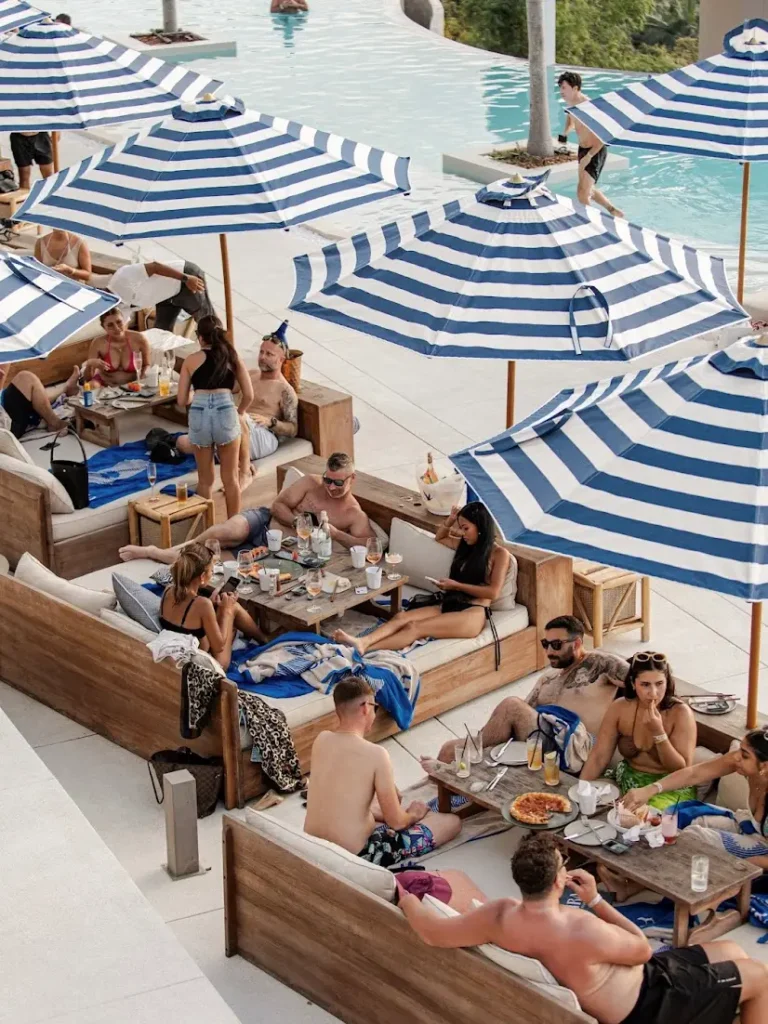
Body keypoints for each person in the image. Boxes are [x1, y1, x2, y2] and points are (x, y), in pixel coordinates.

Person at [399, 831, 768, 1024]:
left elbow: (431, 930)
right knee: (759, 975)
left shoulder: (497, 915)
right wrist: (596, 901)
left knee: (733, 952)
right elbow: (641, 948)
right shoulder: (578, 925)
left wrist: (405, 895)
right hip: (647, 1007)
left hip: (643, 981)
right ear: (559, 880)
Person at [304, 676, 459, 864]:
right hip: (354, 856)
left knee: (379, 799)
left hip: (311, 845)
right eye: (375, 708)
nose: (374, 714)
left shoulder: (321, 740)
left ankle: (378, 817)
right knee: (451, 822)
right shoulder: (376, 754)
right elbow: (397, 822)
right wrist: (413, 815)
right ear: (365, 708)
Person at [434, 614, 627, 764]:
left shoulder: (600, 664)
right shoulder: (548, 678)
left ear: (577, 643)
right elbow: (521, 718)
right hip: (539, 744)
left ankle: (476, 752)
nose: (550, 651)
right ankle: (470, 765)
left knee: (511, 705)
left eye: (556, 645)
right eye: (546, 644)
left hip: (575, 749)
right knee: (448, 751)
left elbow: (644, 678)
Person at [118, 452, 377, 562]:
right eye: (328, 479)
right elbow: (278, 505)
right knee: (224, 534)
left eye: (338, 483)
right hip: (262, 522)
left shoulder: (354, 514)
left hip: (274, 552)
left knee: (209, 561)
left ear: (352, 479)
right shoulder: (311, 482)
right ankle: (159, 550)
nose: (331, 487)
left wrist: (336, 534)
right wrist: (297, 522)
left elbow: (370, 548)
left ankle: (154, 553)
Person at [334, 502, 511, 656]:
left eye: (466, 528)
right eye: (461, 528)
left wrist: (456, 586)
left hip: (473, 612)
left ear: (480, 527)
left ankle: (366, 650)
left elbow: (493, 592)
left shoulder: (499, 554)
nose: (463, 533)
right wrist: (451, 519)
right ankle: (363, 641)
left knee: (414, 628)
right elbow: (440, 538)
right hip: (452, 602)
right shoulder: (466, 546)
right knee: (401, 617)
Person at [624, 727, 768, 869]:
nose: (736, 757)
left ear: (765, 766)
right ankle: (636, 873)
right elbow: (695, 773)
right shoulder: (742, 762)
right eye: (739, 750)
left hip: (764, 848)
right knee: (675, 818)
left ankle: (644, 883)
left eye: (745, 755)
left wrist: (751, 865)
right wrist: (650, 789)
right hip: (746, 823)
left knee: (692, 837)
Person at [177, 321, 298, 487]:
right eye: (261, 352)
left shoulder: (285, 390)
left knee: (233, 412)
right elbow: (223, 388)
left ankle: (245, 469)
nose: (262, 357)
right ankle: (221, 453)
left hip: (263, 434)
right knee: (182, 443)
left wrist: (271, 422)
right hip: (238, 424)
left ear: (282, 359)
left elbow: (293, 429)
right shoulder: (252, 375)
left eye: (269, 354)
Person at [582, 651, 696, 807]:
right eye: (645, 685)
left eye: (659, 684)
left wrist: (659, 733)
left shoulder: (680, 713)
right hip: (629, 778)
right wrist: (581, 789)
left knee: (646, 819)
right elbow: (599, 757)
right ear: (633, 683)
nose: (653, 693)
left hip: (668, 787)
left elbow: (682, 770)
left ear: (667, 682)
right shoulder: (620, 708)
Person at [177, 315, 253, 520]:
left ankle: (207, 530)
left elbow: (182, 400)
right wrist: (240, 412)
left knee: (205, 480)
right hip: (226, 411)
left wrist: (196, 395)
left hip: (200, 414)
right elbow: (249, 394)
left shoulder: (191, 360)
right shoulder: (232, 358)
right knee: (230, 479)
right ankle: (233, 527)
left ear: (200, 337)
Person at [159, 543, 265, 670]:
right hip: (211, 662)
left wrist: (212, 602)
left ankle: (260, 638)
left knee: (224, 606)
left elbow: (188, 615)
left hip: (189, 648)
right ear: (202, 577)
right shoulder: (203, 605)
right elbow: (219, 646)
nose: (212, 574)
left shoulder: (168, 590)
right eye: (211, 571)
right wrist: (226, 611)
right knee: (232, 607)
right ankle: (265, 640)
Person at [558, 71, 624, 218]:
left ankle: (591, 223)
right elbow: (570, 118)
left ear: (575, 88)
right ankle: (612, 210)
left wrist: (589, 156)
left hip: (595, 151)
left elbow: (605, 135)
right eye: (560, 88)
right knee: (586, 188)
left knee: (582, 193)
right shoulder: (571, 104)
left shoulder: (589, 107)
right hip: (583, 149)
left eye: (564, 88)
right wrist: (566, 132)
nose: (561, 92)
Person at [89, 260, 213, 332]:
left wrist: (186, 278)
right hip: (165, 296)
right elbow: (123, 330)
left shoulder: (122, 278)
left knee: (208, 325)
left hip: (184, 278)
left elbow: (155, 267)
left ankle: (225, 360)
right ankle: (165, 368)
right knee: (161, 332)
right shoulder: (117, 308)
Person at [0, 362, 79, 438]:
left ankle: (67, 386)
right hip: (4, 425)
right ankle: (55, 424)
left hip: (3, 403)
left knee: (26, 379)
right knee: (33, 395)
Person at [83, 308, 150, 387]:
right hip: (105, 382)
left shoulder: (139, 339)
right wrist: (90, 363)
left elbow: (146, 365)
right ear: (104, 327)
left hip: (132, 383)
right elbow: (87, 378)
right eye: (110, 325)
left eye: (119, 322)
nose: (117, 328)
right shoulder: (98, 343)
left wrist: (143, 377)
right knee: (90, 387)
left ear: (124, 321)